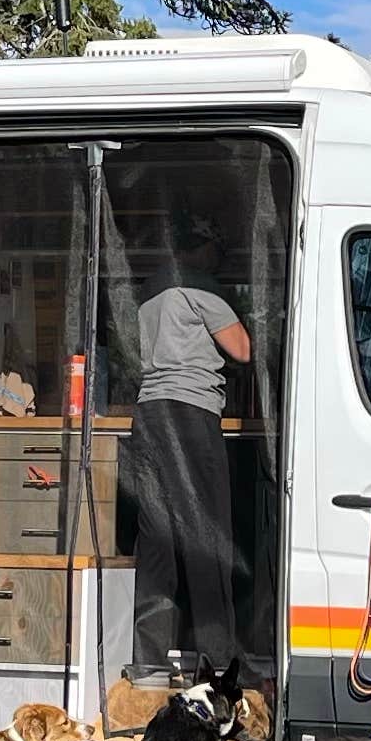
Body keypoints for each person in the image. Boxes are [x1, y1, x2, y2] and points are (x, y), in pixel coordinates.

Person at [127, 254, 251, 682]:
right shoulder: (201, 286)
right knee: (206, 539)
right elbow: (242, 349)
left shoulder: (147, 295)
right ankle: (217, 664)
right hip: (191, 414)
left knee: (157, 543)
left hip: (148, 417)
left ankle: (150, 664)